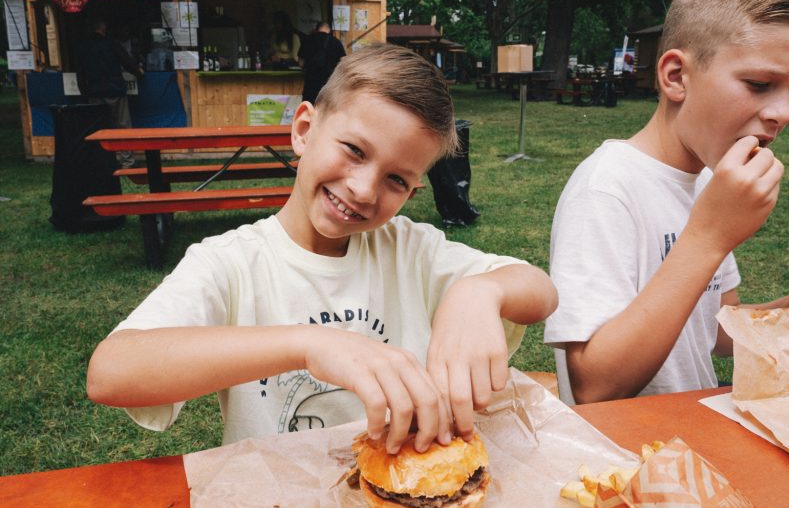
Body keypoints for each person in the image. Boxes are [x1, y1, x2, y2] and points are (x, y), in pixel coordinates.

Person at [87, 44, 558, 454]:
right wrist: (309, 345)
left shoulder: (410, 249)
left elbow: (540, 291)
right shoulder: (232, 262)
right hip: (277, 503)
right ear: (304, 129)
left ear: (413, 192)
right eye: (354, 150)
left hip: (402, 494)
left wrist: (479, 292)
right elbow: (111, 372)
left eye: (396, 179)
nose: (364, 190)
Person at [544, 0, 789, 406]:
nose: (783, 113)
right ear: (677, 77)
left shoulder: (709, 180)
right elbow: (595, 386)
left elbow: (714, 330)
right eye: (759, 83)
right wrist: (708, 236)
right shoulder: (607, 188)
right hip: (623, 446)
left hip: (694, 431)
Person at [76, 17, 144, 167]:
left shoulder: (83, 46)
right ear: (103, 28)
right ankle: (127, 160)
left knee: (99, 129)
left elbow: (80, 74)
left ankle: (103, 161)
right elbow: (127, 62)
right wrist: (139, 73)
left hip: (94, 92)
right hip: (114, 90)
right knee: (123, 125)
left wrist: (85, 93)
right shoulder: (111, 43)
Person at [298, 20, 346, 104]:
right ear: (329, 30)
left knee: (309, 106)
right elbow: (343, 62)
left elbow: (301, 63)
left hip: (310, 84)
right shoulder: (335, 42)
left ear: (317, 29)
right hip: (328, 85)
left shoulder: (307, 40)